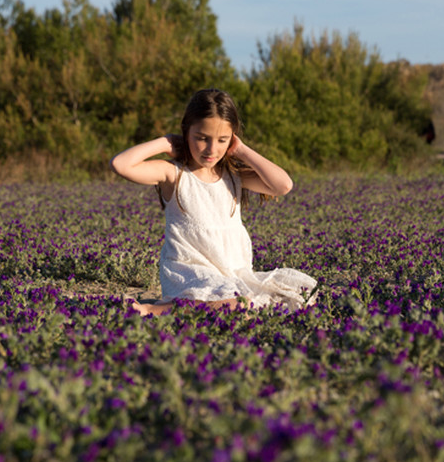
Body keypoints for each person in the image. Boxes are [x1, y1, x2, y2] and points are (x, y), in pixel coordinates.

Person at [110, 88, 317, 316]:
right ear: (186, 133)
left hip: (233, 274)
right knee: (238, 305)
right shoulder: (175, 175)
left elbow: (283, 185)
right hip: (190, 272)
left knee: (303, 293)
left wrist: (242, 150)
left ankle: (185, 308)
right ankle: (154, 309)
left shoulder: (232, 177)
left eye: (222, 140)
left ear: (232, 139)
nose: (211, 149)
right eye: (201, 138)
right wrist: (166, 142)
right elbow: (121, 165)